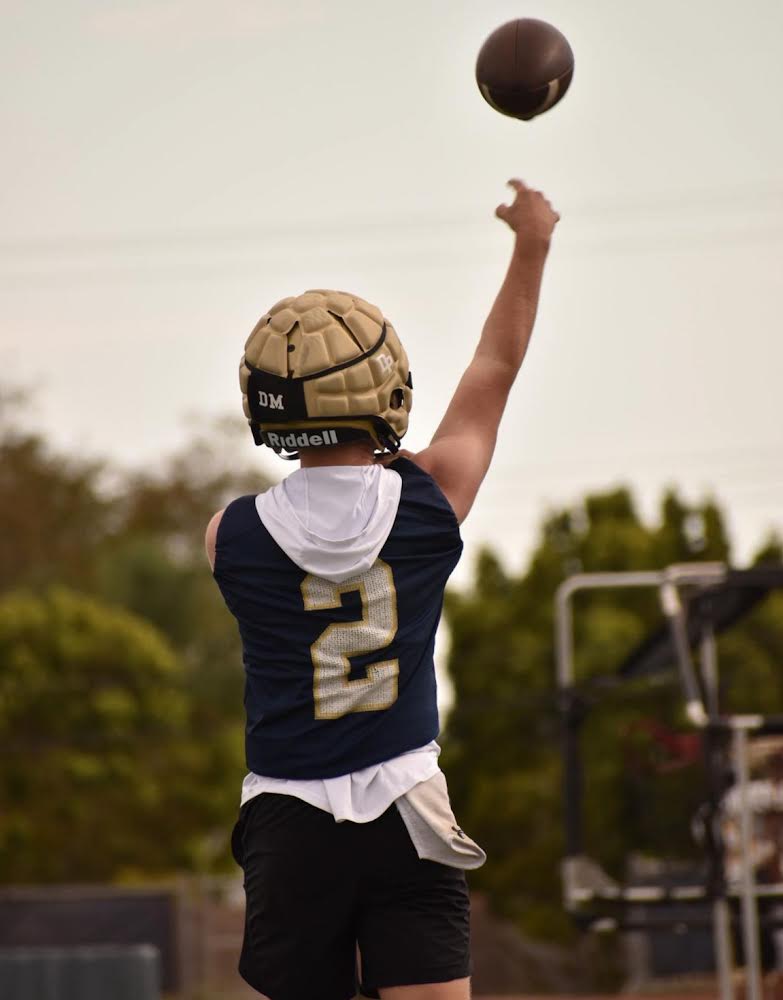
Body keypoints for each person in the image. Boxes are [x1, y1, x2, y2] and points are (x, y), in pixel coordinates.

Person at [205, 179, 559, 1000]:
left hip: (287, 822)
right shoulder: (433, 498)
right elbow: (496, 366)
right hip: (406, 807)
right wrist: (531, 242)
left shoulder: (230, 535)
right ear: (383, 389)